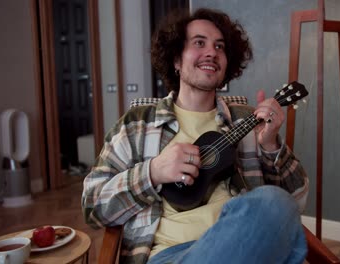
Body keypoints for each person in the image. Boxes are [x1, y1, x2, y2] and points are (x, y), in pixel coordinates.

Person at [82, 8, 309, 264]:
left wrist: (270, 146)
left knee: (275, 203)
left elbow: (296, 200)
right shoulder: (138, 125)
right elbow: (93, 207)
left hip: (241, 244)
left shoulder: (247, 120)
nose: (212, 52)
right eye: (199, 42)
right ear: (176, 59)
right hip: (170, 256)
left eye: (220, 47)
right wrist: (152, 172)